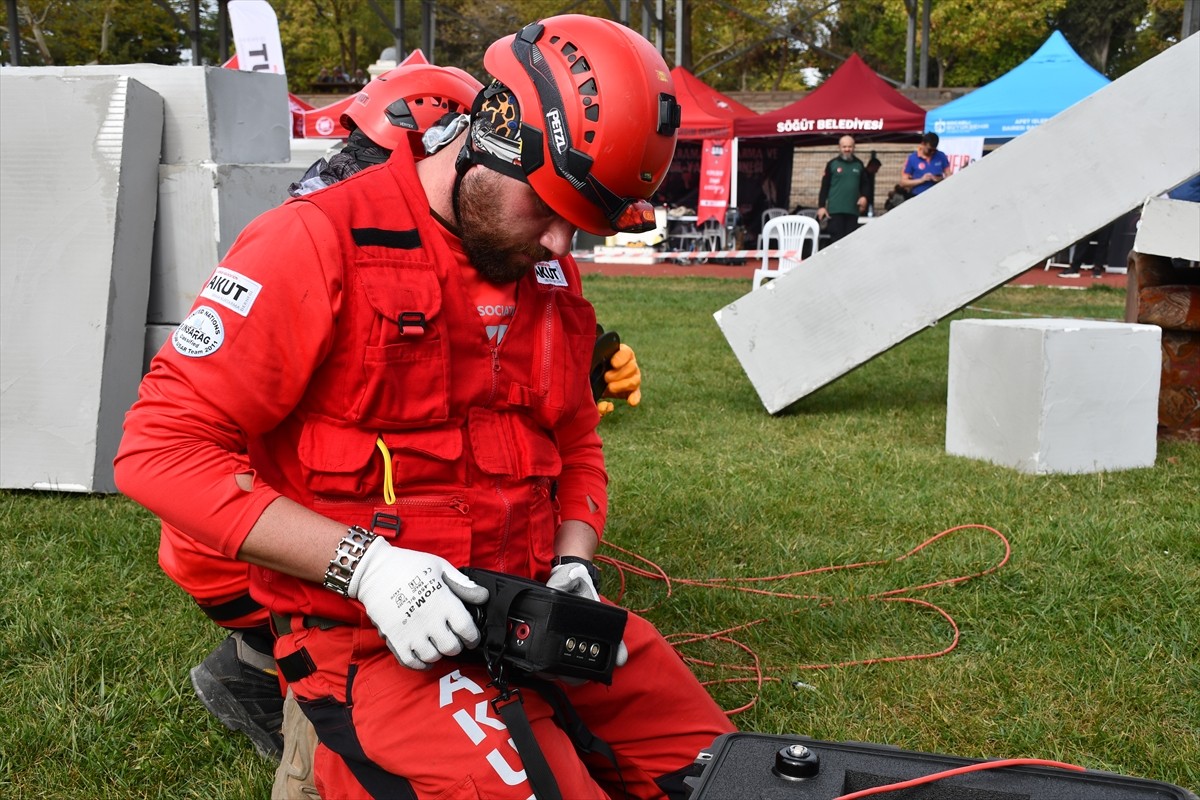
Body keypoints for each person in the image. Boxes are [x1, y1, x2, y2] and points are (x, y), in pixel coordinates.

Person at [115, 14, 734, 800]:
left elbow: (575, 436)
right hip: (368, 642)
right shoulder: (314, 244)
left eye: (580, 226)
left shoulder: (543, 277)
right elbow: (158, 453)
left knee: (736, 773)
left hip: (528, 615)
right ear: (492, 136)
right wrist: (367, 568)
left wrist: (574, 557)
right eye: (547, 210)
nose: (558, 248)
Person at [816, 134, 870, 245]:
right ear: (839, 148)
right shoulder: (832, 164)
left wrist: (864, 196)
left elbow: (865, 184)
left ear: (854, 148)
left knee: (850, 242)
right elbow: (824, 186)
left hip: (852, 210)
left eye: (850, 147)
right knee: (836, 241)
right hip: (835, 210)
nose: (847, 149)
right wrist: (821, 206)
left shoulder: (859, 164)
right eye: (844, 147)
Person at [900, 132, 950, 197]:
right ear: (923, 144)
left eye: (934, 150)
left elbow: (949, 175)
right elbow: (903, 182)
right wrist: (921, 180)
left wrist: (940, 179)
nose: (932, 152)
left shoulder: (941, 156)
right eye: (929, 150)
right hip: (917, 196)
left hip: (937, 196)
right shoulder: (912, 158)